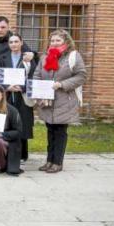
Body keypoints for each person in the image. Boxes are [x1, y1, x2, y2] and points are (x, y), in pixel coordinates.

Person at [33, 29, 87, 174]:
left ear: (66, 41)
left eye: (58, 40)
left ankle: (57, 162)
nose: (55, 43)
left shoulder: (73, 56)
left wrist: (62, 84)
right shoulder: (45, 56)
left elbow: (81, 76)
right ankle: (49, 160)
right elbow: (37, 74)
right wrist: (39, 91)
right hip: (47, 100)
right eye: (52, 41)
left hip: (64, 99)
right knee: (50, 130)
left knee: (60, 132)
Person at [0, 33, 37, 161]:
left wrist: (23, 87)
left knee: (23, 122)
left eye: (16, 41)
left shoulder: (28, 58)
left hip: (22, 95)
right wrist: (6, 87)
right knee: (8, 122)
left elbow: (33, 75)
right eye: (11, 42)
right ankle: (8, 153)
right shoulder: (3, 57)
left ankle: (23, 155)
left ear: (21, 42)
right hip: (8, 95)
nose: (13, 44)